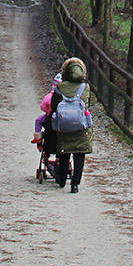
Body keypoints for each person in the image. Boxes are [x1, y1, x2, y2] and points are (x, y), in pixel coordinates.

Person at [41, 57, 94, 192]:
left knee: (64, 151)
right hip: (81, 125)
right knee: (79, 153)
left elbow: (54, 107)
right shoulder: (85, 87)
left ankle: (62, 179)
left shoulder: (59, 87)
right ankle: (75, 184)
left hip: (64, 124)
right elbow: (89, 103)